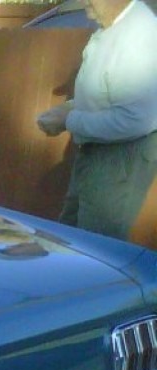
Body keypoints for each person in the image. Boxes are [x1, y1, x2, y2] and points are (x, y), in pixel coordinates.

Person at [36, 0, 157, 240]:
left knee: (93, 246)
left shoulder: (139, 37)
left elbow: (134, 121)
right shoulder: (115, 26)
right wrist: (67, 111)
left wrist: (69, 120)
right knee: (69, 237)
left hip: (120, 158)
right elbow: (107, 94)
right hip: (97, 149)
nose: (82, 1)